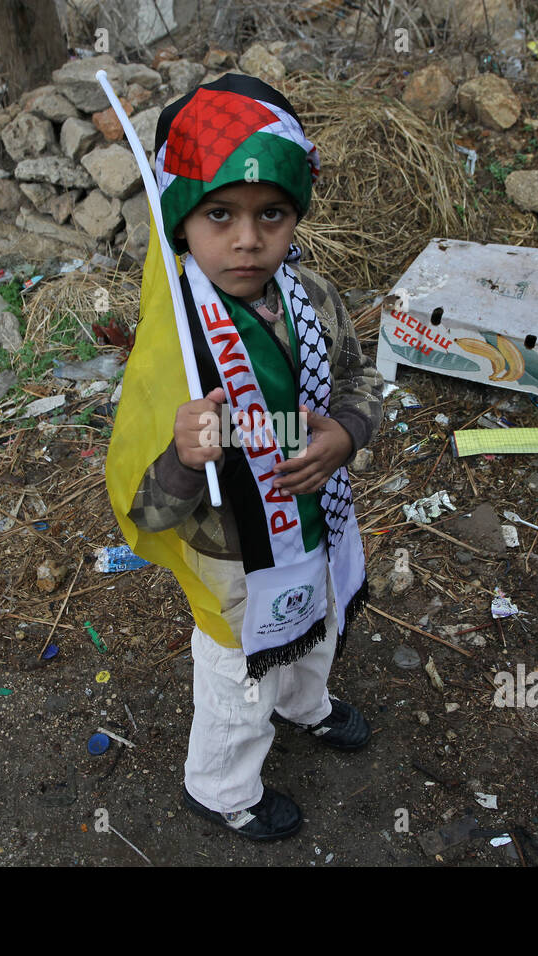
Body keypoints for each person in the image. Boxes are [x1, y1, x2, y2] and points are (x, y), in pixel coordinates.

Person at [106, 73, 384, 841]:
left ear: (296, 216)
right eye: (218, 213)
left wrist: (345, 434)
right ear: (180, 219)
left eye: (272, 214)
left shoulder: (314, 299)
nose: (247, 239)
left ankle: (307, 705)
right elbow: (145, 503)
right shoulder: (177, 344)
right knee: (238, 676)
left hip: (316, 518)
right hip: (229, 553)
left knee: (319, 622)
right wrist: (186, 458)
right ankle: (223, 785)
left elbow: (359, 378)